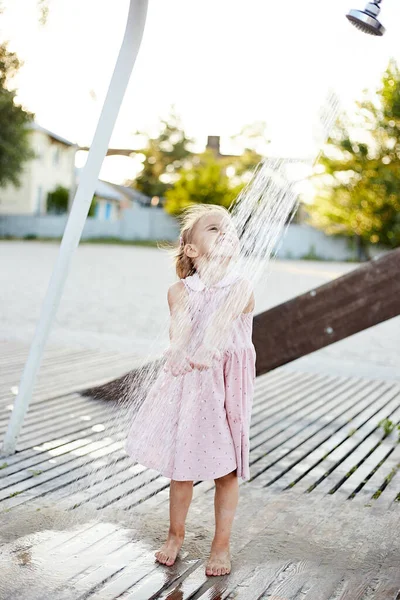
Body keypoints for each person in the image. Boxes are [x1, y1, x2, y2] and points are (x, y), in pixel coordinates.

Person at [125, 203, 256, 577]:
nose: (225, 232)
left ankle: (221, 544)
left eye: (229, 228)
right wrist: (179, 348)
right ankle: (174, 535)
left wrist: (208, 348)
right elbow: (180, 326)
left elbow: (221, 321)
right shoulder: (180, 290)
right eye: (214, 228)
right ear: (192, 250)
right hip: (190, 387)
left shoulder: (241, 286)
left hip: (225, 386)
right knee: (182, 470)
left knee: (226, 472)